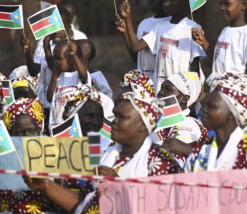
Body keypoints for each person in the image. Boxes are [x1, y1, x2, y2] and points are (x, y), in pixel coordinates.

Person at [24, 88, 181, 213]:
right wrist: (46, 186)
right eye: (115, 116)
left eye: (122, 117)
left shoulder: (161, 163)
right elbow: (86, 204)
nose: (114, 122)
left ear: (143, 126)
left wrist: (118, 187)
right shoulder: (109, 154)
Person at [185, 73, 247, 205]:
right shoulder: (202, 148)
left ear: (231, 113)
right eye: (206, 105)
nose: (204, 110)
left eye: (212, 106)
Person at [118, 0, 206, 91]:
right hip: (159, 90)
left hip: (181, 91)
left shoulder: (192, 28)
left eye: (171, 0)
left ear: (184, 1)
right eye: (164, 0)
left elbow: (195, 67)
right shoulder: (159, 26)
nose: (166, 4)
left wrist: (195, 92)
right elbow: (136, 47)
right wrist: (127, 20)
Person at [191, 0, 247, 77]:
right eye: (220, 4)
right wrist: (204, 43)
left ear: (243, 5)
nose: (222, 8)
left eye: (227, 4)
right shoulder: (225, 31)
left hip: (234, 89)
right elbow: (217, 61)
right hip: (217, 86)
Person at [116, 0, 170, 79]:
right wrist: (124, 33)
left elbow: (136, 46)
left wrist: (128, 19)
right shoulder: (144, 23)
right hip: (144, 84)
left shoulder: (170, 24)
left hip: (162, 84)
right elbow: (137, 57)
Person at [155, 71, 208, 158]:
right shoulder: (158, 120)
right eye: (162, 88)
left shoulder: (189, 125)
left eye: (168, 89)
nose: (161, 92)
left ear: (184, 99)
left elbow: (169, 158)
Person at [47, 40, 90, 127]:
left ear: (71, 59)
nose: (56, 62)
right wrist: (54, 75)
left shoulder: (77, 75)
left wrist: (74, 55)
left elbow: (83, 75)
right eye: (55, 58)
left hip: (74, 124)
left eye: (59, 58)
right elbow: (49, 98)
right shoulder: (57, 78)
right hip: (57, 124)